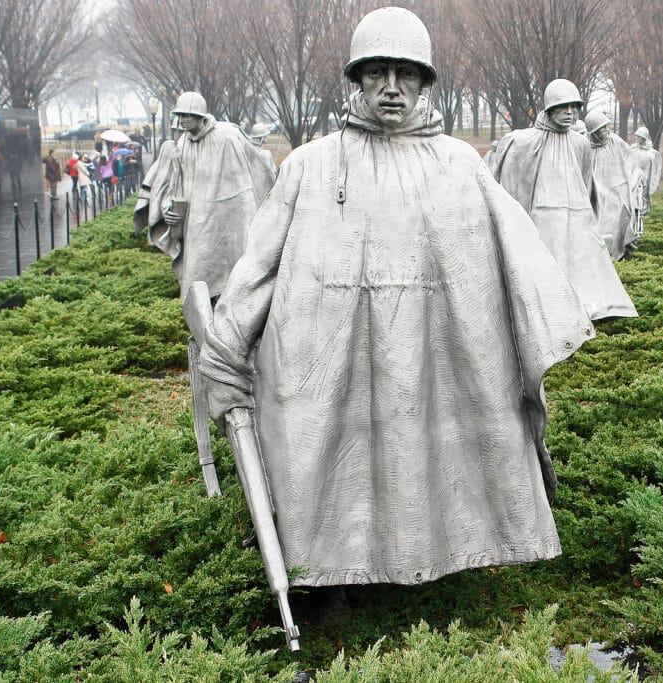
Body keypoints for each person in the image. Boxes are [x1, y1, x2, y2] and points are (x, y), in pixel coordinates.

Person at [197, 6, 595, 590]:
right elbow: (258, 266)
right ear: (356, 81)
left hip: (433, 352)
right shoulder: (310, 166)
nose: (390, 88)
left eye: (405, 74)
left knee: (428, 444)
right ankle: (323, 573)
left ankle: (445, 554)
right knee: (332, 456)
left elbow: (519, 261)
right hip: (329, 359)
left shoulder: (460, 165)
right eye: (376, 72)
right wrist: (226, 347)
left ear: (424, 82)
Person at [488, 78, 636, 321]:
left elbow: (586, 182)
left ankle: (589, 311)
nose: (570, 113)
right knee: (546, 272)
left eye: (574, 108)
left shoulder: (580, 143)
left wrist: (587, 217)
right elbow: (510, 184)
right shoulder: (525, 141)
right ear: (549, 109)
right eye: (563, 107)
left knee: (584, 269)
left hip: (578, 214)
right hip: (543, 214)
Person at [154, 91, 278, 299]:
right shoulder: (183, 142)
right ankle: (202, 325)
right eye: (180, 115)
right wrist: (168, 207)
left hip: (230, 217)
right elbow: (177, 183)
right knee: (197, 278)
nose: (182, 120)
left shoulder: (226, 134)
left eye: (187, 115)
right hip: (196, 222)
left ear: (201, 116)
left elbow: (256, 160)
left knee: (235, 276)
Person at [585, 110, 641, 261]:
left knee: (620, 221)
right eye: (602, 128)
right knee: (601, 224)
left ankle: (621, 254)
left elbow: (630, 159)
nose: (606, 130)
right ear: (594, 131)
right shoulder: (585, 145)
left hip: (618, 191)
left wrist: (631, 181)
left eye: (606, 126)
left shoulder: (614, 140)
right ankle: (604, 258)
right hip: (598, 193)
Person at [630, 126, 661, 214]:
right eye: (636, 136)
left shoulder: (652, 153)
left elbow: (655, 170)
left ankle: (644, 210)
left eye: (639, 136)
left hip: (646, 178)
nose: (637, 138)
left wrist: (654, 183)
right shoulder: (633, 149)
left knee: (644, 196)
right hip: (634, 177)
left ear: (644, 137)